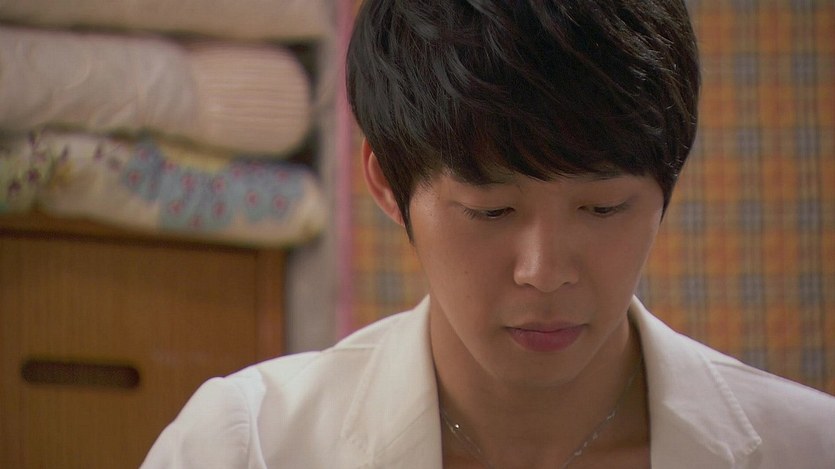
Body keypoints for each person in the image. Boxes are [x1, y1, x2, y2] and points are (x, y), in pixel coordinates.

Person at [142, 0, 835, 467]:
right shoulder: (248, 447)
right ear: (387, 184)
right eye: (490, 210)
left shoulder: (807, 448)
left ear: (667, 180)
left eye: (602, 208)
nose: (545, 270)